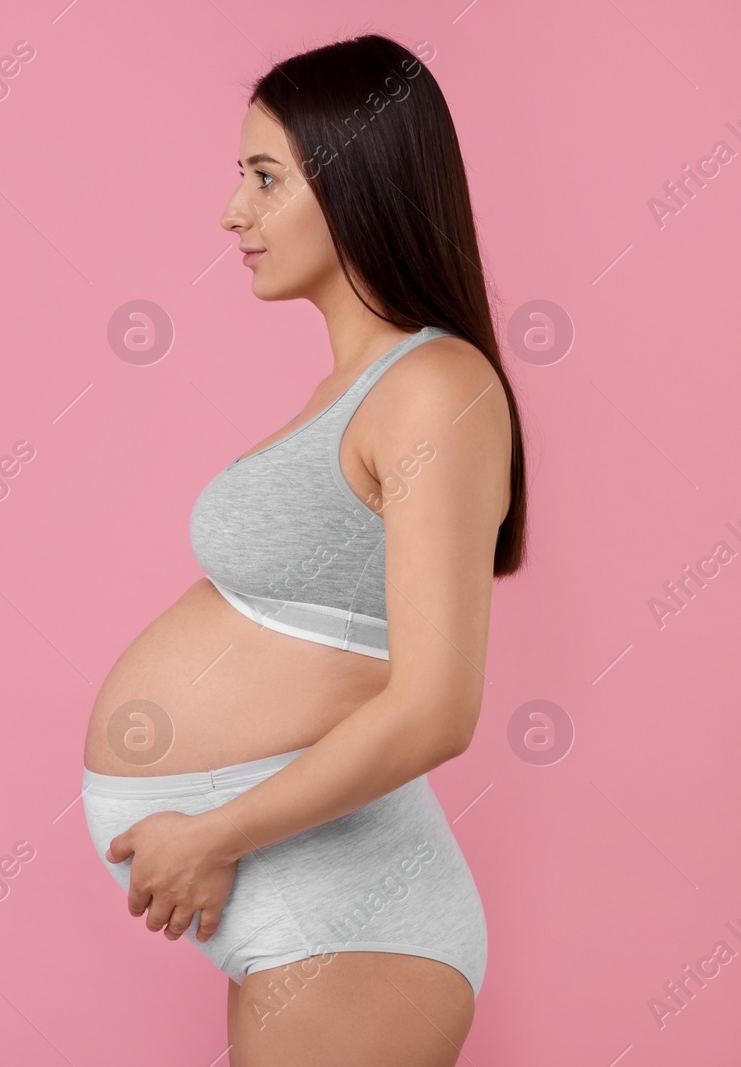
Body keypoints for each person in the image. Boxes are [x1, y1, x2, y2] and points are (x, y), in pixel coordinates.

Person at [80, 33, 527, 1066]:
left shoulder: (433, 388)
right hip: (299, 900)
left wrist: (212, 829)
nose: (233, 213)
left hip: (353, 916)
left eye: (266, 178)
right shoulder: (350, 391)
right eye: (239, 177)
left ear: (358, 178)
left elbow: (434, 707)